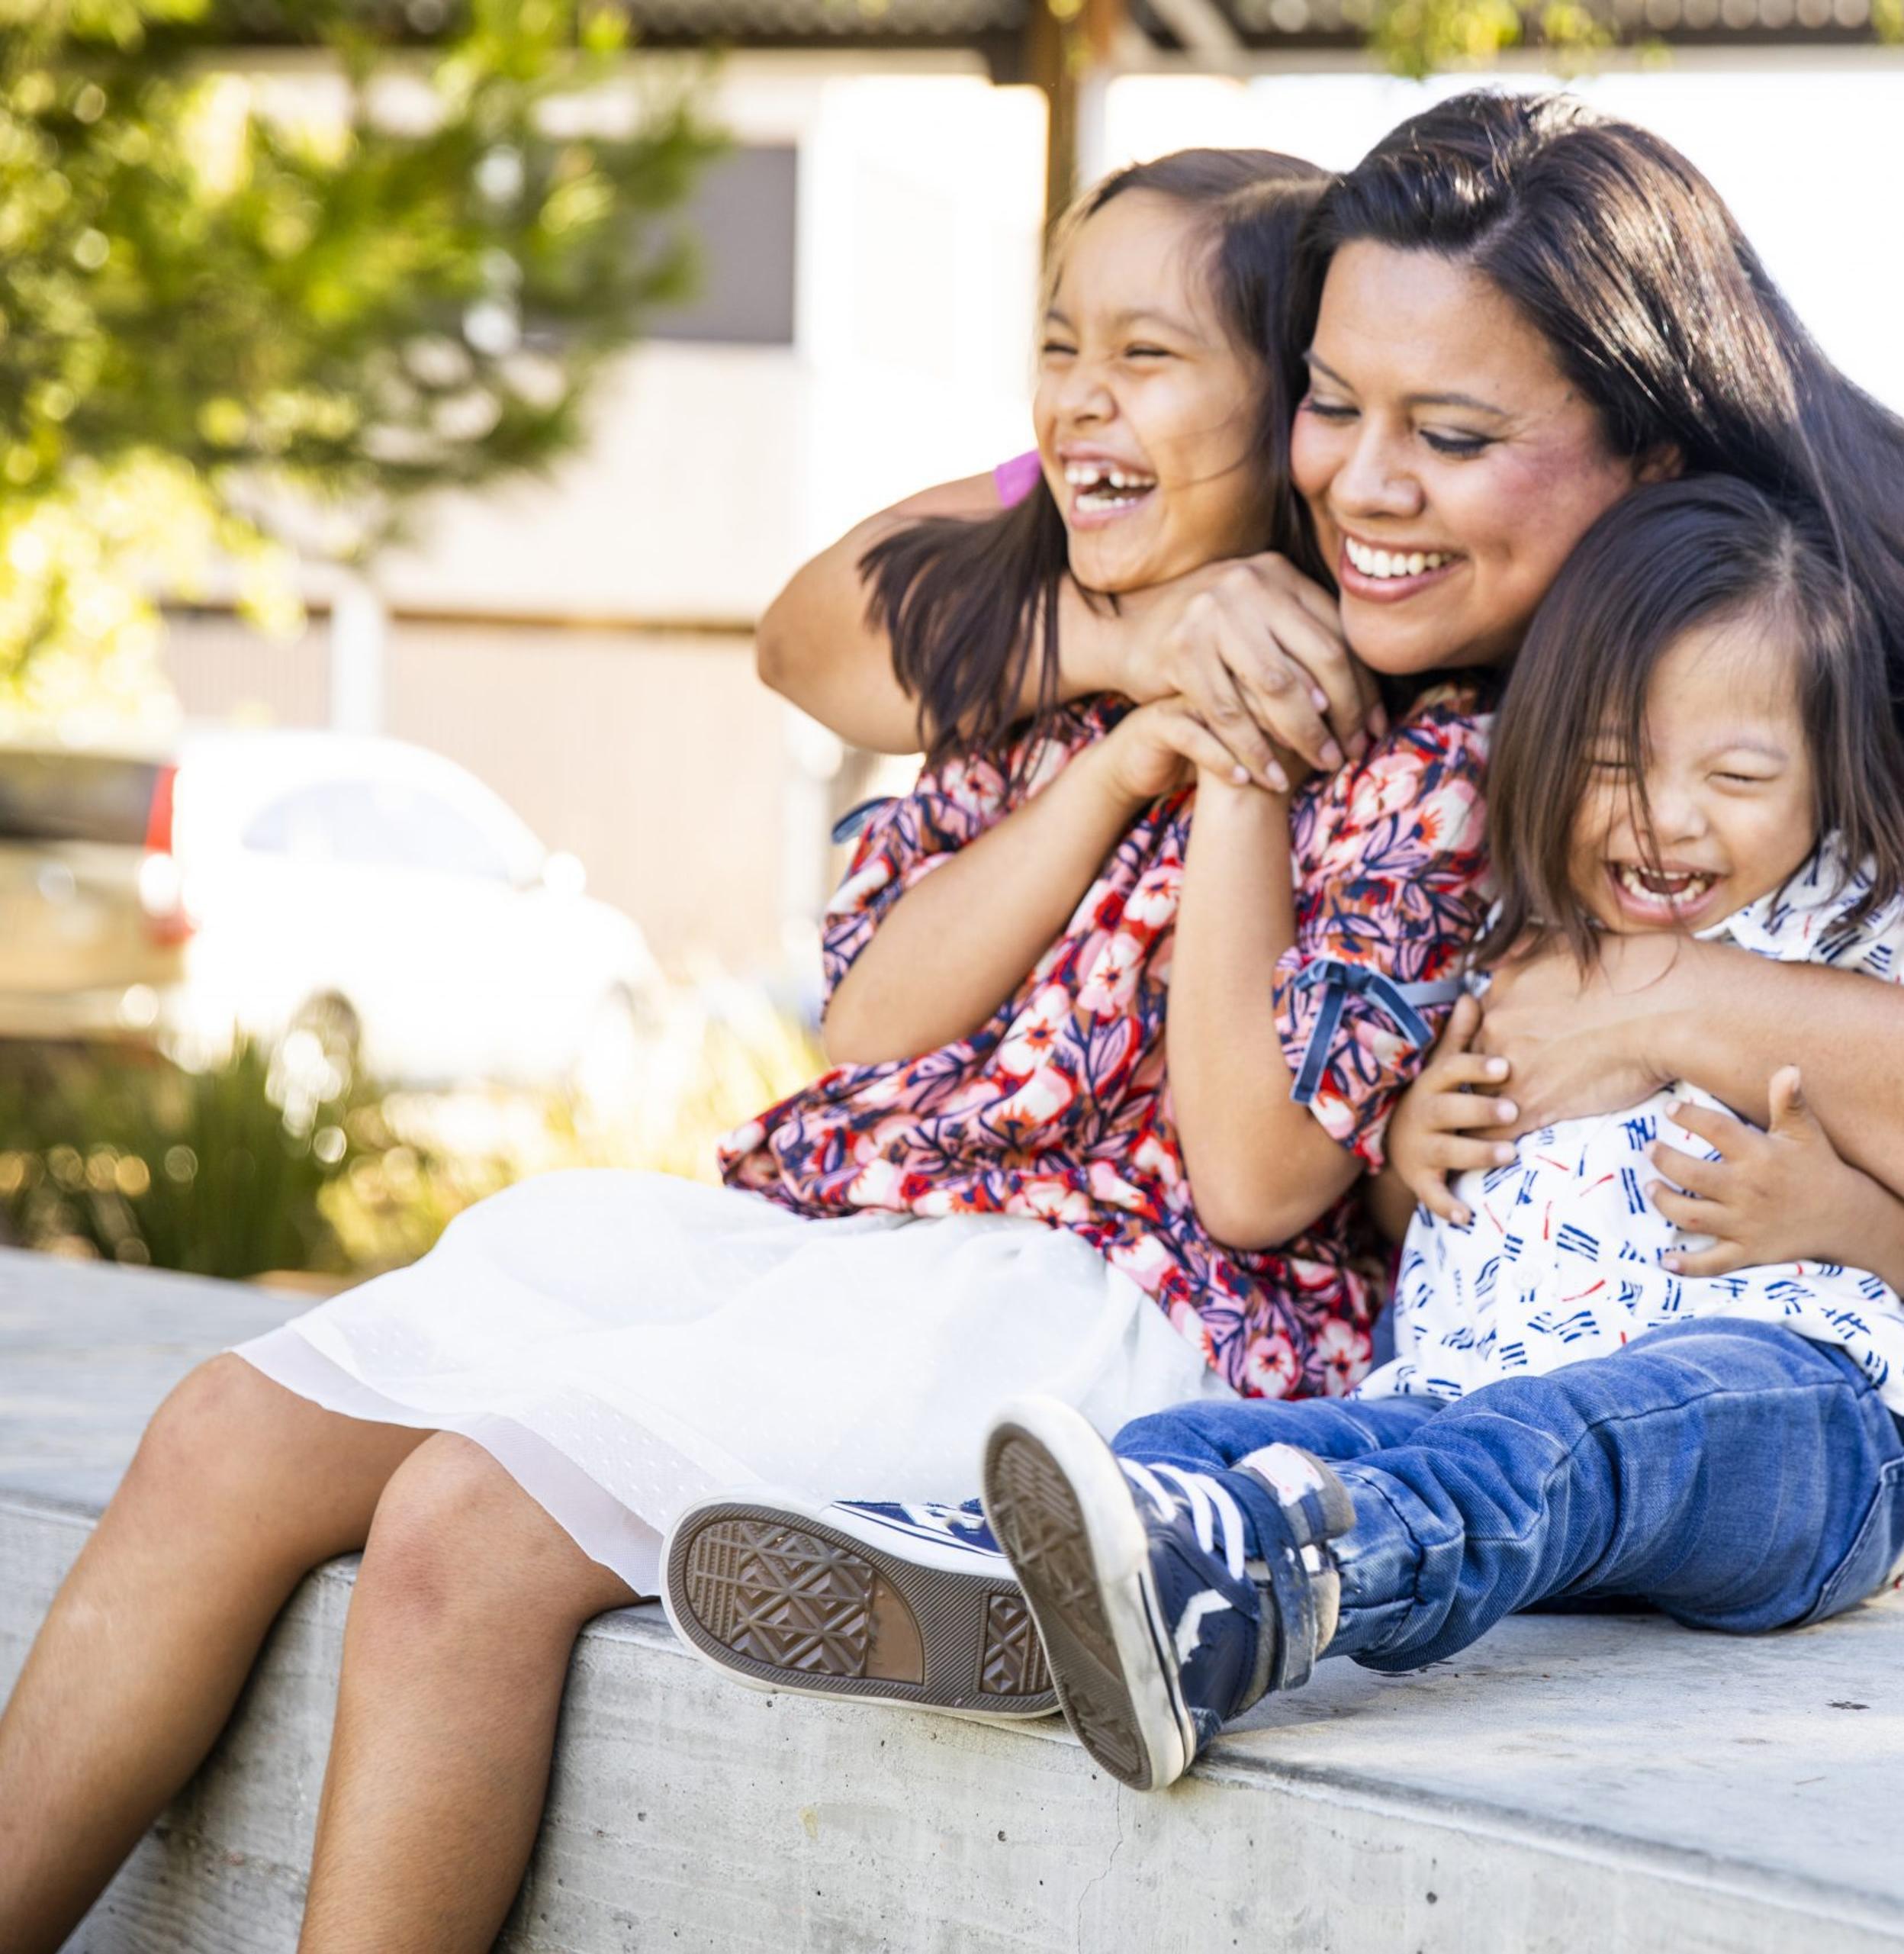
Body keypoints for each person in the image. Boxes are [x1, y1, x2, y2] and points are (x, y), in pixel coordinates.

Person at [0, 148, 1490, 1954]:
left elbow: (1255, 1184)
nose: (1080, 398)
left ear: (1298, 421)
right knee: (230, 1423)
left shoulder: (1414, 754)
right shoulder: (1045, 672)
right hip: (860, 1232)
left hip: (1099, 1297)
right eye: (1056, 343)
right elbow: (867, 1032)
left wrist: (1242, 761)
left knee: (471, 1530)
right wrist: (1117, 748)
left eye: (1150, 357)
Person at [754, 91, 1904, 1579]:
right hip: (1529, 1258)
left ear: (1651, 457)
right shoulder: (1326, 488)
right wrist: (1138, 626)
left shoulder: (1845, 591)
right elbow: (815, 638)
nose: (1363, 485)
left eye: (1456, 435)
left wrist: (1662, 1002)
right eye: (1330, 403)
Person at [973, 472, 1904, 1791]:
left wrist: (1840, 1218)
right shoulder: (1513, 952)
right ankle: (1034, 1584)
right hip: (1473, 1417)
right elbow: (1439, 1231)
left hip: (1797, 1430)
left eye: (1737, 775)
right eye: (1614, 763)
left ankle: (1309, 1576)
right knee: (1212, 1443)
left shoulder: (1860, 940)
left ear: (1826, 777)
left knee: (1584, 1427)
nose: (1665, 816)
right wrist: (1410, 1162)